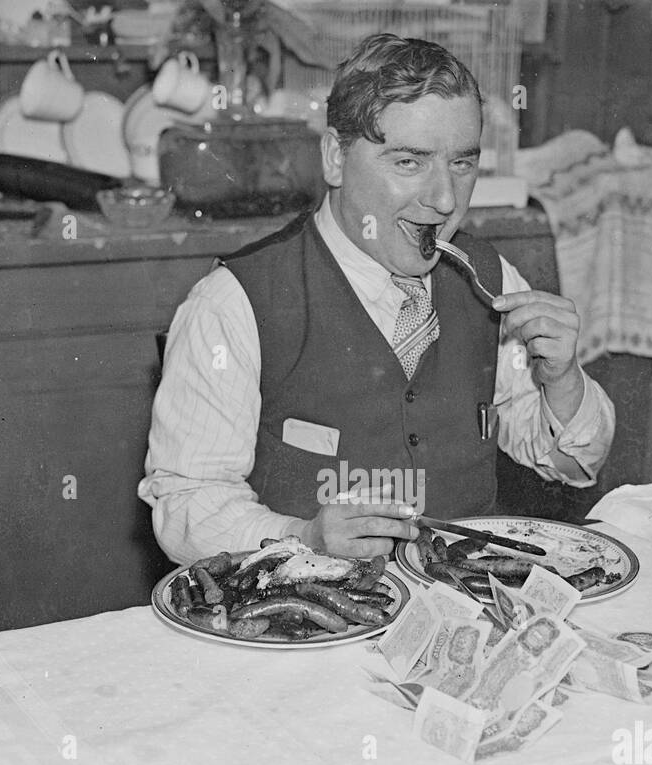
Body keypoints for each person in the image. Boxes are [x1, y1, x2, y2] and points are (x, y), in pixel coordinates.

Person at [139, 33, 615, 564]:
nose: (443, 200)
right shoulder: (233, 304)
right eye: (409, 163)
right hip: (304, 622)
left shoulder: (491, 279)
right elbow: (185, 503)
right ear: (335, 158)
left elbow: (573, 466)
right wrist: (300, 537)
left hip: (464, 615)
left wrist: (563, 380)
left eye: (462, 163)